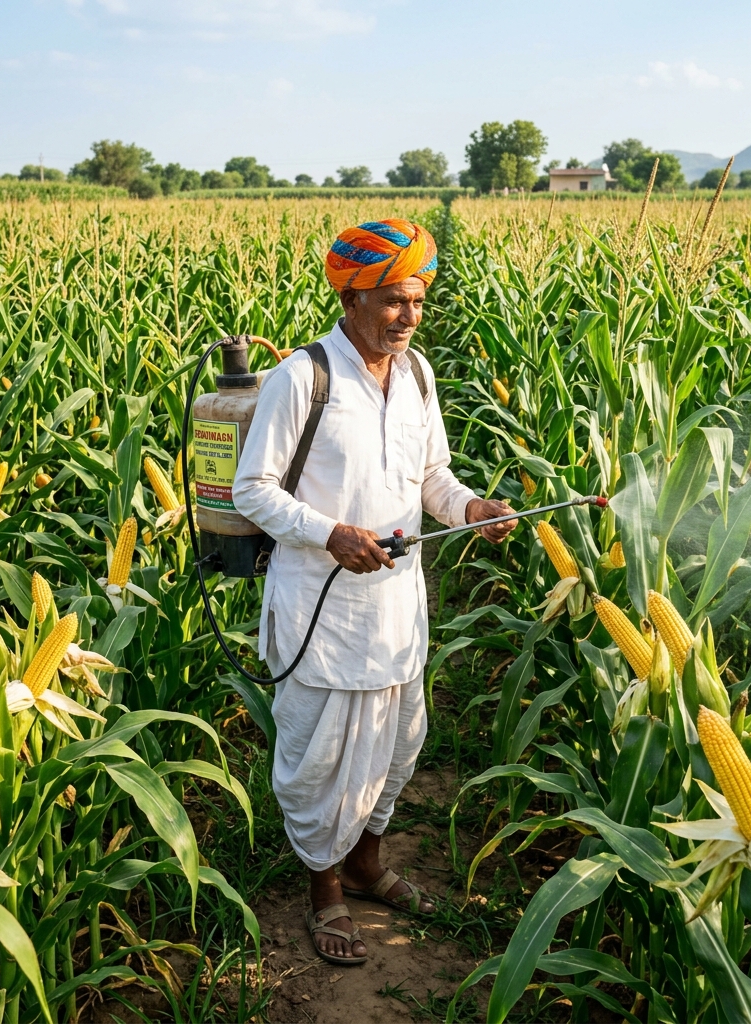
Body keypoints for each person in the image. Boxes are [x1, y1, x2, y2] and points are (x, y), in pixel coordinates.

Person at [232, 219, 516, 965]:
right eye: (393, 301)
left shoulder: (418, 374)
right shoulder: (304, 377)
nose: (408, 317)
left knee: (398, 744)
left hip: (396, 609)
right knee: (320, 758)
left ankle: (366, 865)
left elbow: (431, 477)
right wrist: (331, 534)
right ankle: (325, 889)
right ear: (351, 297)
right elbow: (252, 489)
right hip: (320, 608)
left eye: (418, 302)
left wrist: (471, 509)